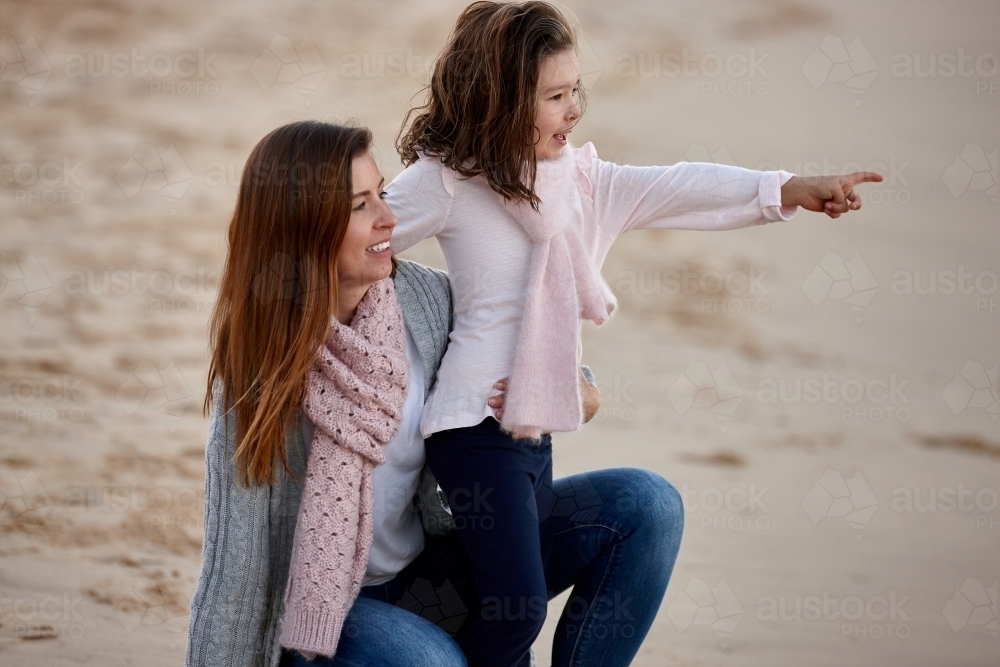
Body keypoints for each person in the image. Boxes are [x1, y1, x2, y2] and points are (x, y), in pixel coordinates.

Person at [385, 2, 884, 666]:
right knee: (519, 606)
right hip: (473, 430)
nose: (574, 109)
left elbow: (681, 185)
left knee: (506, 596)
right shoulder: (448, 180)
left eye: (576, 91)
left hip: (535, 426)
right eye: (556, 96)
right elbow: (355, 238)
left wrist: (790, 189)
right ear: (501, 99)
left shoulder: (585, 184)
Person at [186, 119, 676, 667]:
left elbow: (543, 352)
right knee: (432, 662)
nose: (389, 216)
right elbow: (235, 569)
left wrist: (576, 391)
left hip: (431, 577)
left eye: (382, 193)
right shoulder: (261, 373)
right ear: (303, 227)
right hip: (323, 618)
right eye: (359, 205)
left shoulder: (423, 302)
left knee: (647, 504)